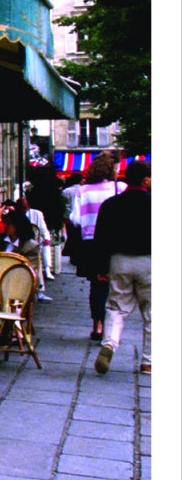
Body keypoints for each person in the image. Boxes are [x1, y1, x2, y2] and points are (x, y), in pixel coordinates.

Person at [92, 161, 150, 376]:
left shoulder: (111, 204)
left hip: (119, 260)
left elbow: (101, 238)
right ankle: (148, 362)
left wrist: (101, 267)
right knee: (152, 313)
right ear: (146, 179)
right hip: (150, 261)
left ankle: (109, 343)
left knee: (116, 307)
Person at [66, 152, 122, 340]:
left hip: (90, 243)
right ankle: (109, 325)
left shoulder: (83, 191)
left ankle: (97, 325)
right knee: (113, 286)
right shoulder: (118, 188)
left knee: (96, 285)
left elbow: (75, 219)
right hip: (114, 241)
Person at [18, 193, 54, 298]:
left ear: (29, 206)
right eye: (21, 208)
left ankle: (47, 269)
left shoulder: (37, 214)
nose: (23, 210)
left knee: (45, 246)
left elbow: (43, 228)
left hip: (35, 241)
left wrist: (46, 238)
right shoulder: (16, 215)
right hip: (20, 243)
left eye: (25, 208)